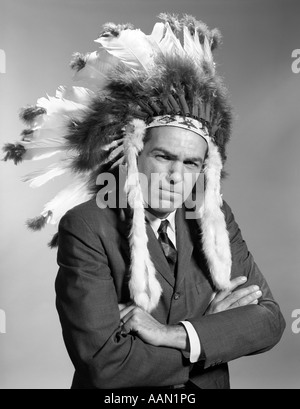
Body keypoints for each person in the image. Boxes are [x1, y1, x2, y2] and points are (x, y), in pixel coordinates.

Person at [3, 13, 285, 389]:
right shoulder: (88, 226)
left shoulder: (212, 214)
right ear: (134, 155)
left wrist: (175, 335)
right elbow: (106, 365)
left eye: (191, 163)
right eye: (164, 157)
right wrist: (212, 334)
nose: (176, 176)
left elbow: (268, 321)